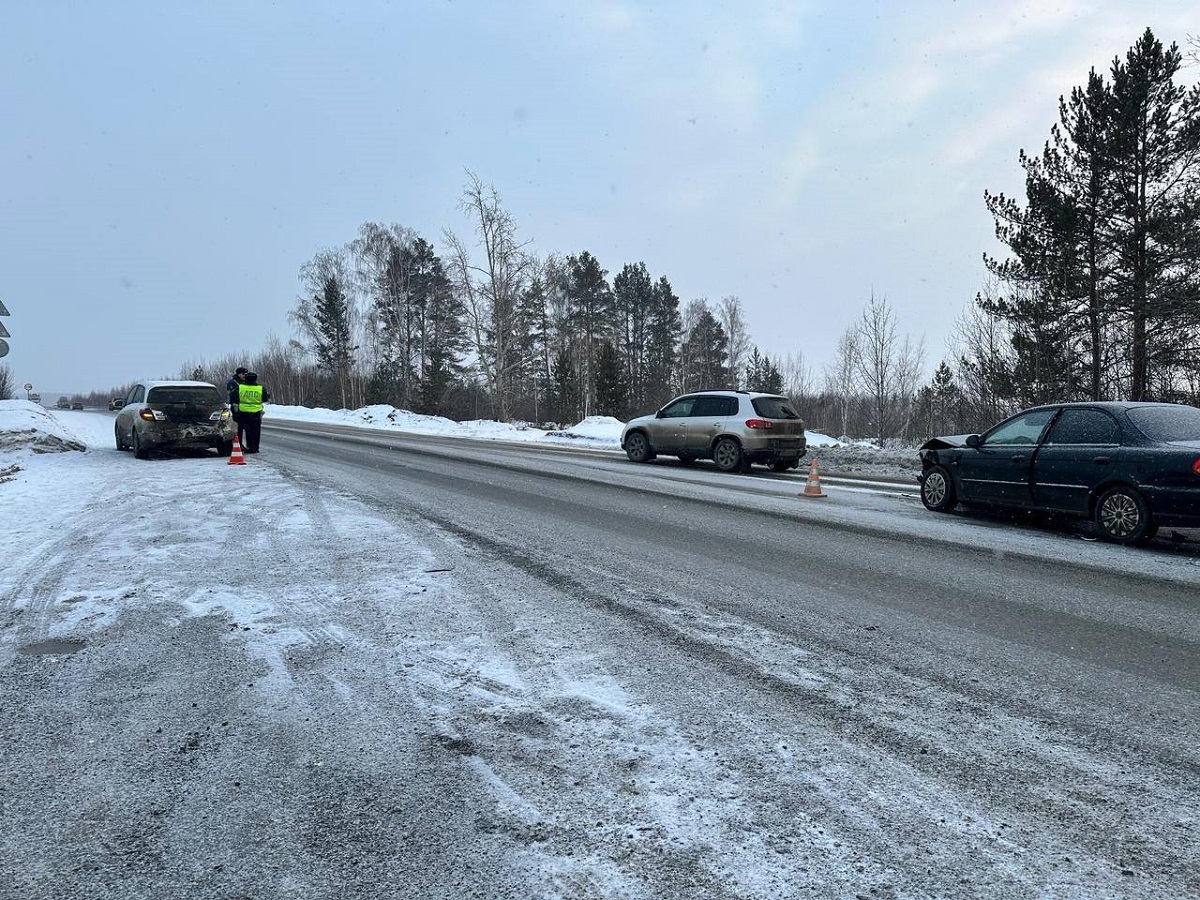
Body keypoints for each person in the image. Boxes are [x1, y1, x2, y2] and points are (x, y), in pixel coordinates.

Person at [236, 372, 271, 453]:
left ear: (246, 378)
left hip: (244, 412)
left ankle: (250, 447)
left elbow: (234, 398)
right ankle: (255, 447)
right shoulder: (260, 388)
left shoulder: (240, 387)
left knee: (248, 430)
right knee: (256, 431)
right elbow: (265, 399)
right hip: (256, 412)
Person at [226, 367, 248, 447]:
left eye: (246, 374)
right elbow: (232, 394)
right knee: (238, 427)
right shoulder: (233, 382)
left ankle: (241, 444)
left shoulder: (246, 382)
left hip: (245, 407)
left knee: (243, 427)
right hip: (236, 407)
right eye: (243, 374)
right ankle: (237, 444)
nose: (244, 375)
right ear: (238, 374)